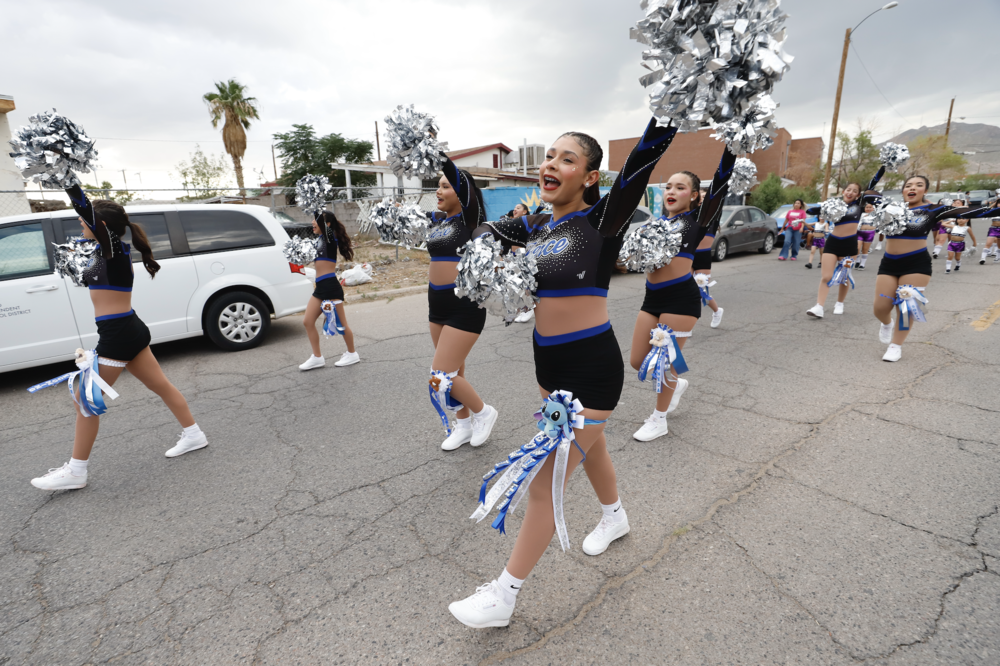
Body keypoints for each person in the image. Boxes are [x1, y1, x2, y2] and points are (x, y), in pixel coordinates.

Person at [447, 118, 677, 628]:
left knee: (543, 483)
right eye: (549, 156)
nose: (551, 164)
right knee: (591, 449)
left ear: (591, 177)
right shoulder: (540, 224)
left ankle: (503, 595)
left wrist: (669, 113)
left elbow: (641, 165)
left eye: (567, 159)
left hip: (591, 369)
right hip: (548, 369)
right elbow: (484, 228)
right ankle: (614, 516)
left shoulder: (603, 220)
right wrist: (511, 220)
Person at [30, 188, 207, 491]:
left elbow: (87, 211)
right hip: (128, 327)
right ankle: (194, 435)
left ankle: (76, 471)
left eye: (84, 223)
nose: (80, 227)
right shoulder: (104, 252)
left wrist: (69, 180)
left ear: (101, 226)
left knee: (85, 401)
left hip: (119, 335)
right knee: (160, 385)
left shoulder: (111, 247)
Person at [629, 149, 734, 442]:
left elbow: (721, 182)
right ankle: (677, 382)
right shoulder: (656, 224)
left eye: (681, 187)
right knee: (639, 362)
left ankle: (659, 419)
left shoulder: (696, 222)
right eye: (669, 186)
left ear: (694, 196)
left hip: (681, 301)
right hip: (652, 300)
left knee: (663, 363)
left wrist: (731, 149)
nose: (672, 191)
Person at [873, 175, 1000, 362]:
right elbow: (867, 197)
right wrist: (883, 169)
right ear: (903, 190)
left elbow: (972, 211)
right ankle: (886, 323)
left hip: (916, 264)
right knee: (880, 307)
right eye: (908, 185)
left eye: (918, 185)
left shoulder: (934, 210)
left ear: (925, 190)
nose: (912, 188)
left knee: (907, 307)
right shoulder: (892, 209)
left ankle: (896, 345)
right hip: (889, 263)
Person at [426, 157, 499, 451]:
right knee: (455, 373)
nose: (439, 191)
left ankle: (484, 412)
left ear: (461, 192)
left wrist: (436, 155)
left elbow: (456, 178)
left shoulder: (470, 220)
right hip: (436, 305)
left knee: (440, 376)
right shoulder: (438, 221)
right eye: (438, 186)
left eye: (446, 186)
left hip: (464, 305)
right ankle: (464, 424)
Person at [805, 178, 881, 318]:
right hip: (833, 242)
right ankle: (819, 307)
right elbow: (813, 211)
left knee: (844, 276)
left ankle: (839, 303)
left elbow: (872, 184)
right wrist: (814, 209)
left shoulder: (859, 204)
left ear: (859, 195)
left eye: (855, 191)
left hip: (850, 244)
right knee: (826, 276)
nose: (851, 192)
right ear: (843, 191)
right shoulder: (834, 205)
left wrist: (883, 167)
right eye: (848, 189)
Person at [298, 211, 359, 370]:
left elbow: (327, 230)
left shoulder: (331, 238)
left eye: (315, 220)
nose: (312, 222)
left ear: (327, 225)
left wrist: (315, 202)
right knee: (307, 321)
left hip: (331, 287)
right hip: (320, 288)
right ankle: (317, 357)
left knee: (341, 324)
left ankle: (352, 353)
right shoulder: (319, 240)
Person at [693, 205, 724, 329]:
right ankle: (687, 325)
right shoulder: (691, 216)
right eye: (700, 198)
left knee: (701, 292)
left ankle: (717, 311)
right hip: (688, 256)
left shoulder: (713, 218)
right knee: (687, 292)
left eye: (705, 198)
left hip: (703, 257)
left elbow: (719, 202)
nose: (703, 201)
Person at [856, 203, 877, 270]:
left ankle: (862, 264)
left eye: (870, 207)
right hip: (860, 233)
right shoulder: (861, 214)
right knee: (857, 248)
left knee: (865, 249)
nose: (868, 208)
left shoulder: (876, 215)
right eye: (867, 207)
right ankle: (858, 260)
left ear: (873, 208)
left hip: (870, 233)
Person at [981, 197, 1000, 264]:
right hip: (993, 229)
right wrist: (993, 204)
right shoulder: (993, 211)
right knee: (988, 243)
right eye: (999, 203)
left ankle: (998, 257)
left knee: (999, 245)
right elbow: (986, 211)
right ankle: (983, 258)